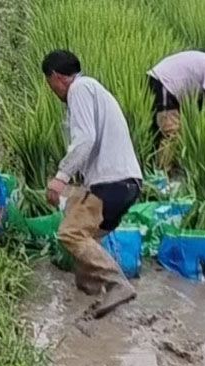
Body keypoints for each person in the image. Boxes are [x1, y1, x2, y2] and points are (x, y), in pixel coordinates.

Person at [43, 50, 143, 320]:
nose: (51, 90)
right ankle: (88, 294)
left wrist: (61, 176)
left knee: (70, 234)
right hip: (126, 186)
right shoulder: (94, 89)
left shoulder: (80, 89)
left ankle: (117, 284)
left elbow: (85, 138)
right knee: (81, 229)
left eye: (49, 83)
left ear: (56, 77)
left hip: (112, 183)